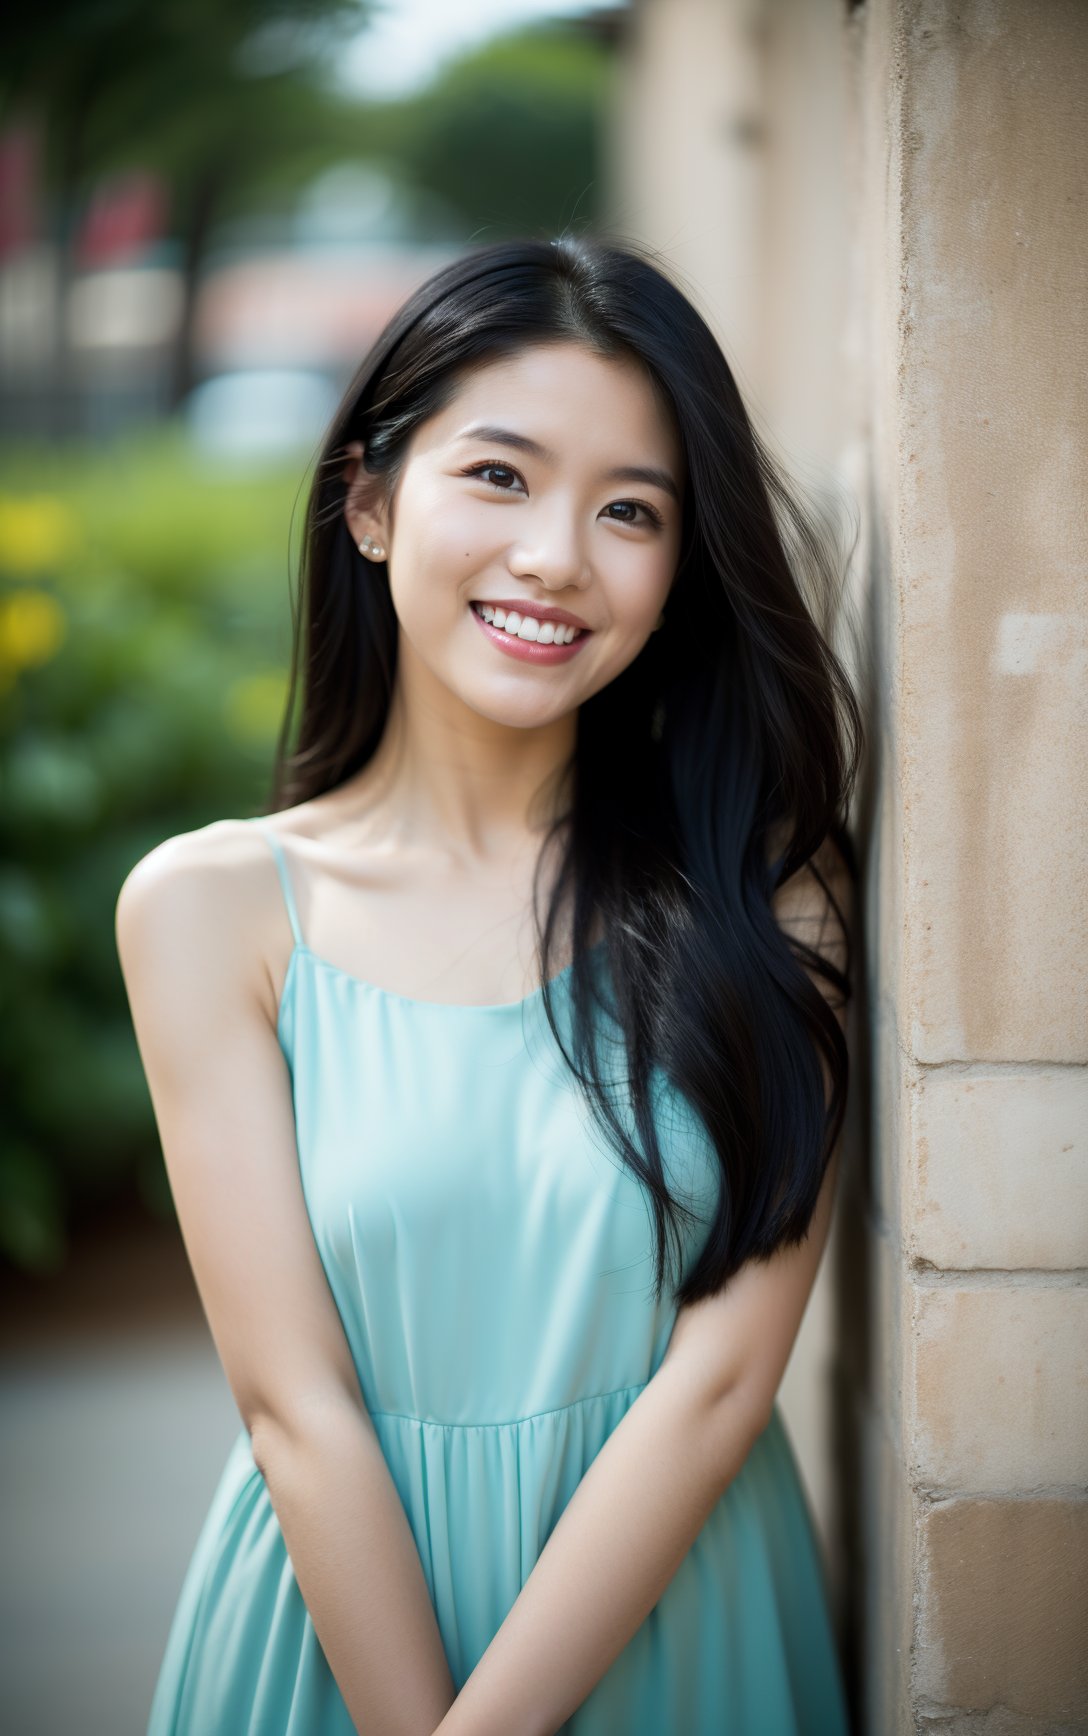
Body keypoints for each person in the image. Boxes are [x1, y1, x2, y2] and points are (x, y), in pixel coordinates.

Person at [117, 234, 863, 1736]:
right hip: (334, 1635)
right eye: (501, 476)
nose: (556, 558)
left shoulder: (767, 900)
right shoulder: (214, 908)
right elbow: (296, 1410)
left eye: (631, 510)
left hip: (682, 1625)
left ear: (679, 566)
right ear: (374, 502)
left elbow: (721, 1393)